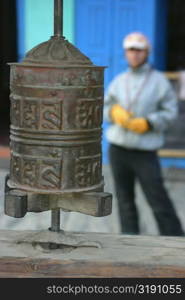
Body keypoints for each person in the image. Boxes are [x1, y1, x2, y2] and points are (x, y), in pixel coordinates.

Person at [104, 32, 184, 236]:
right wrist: (113, 112)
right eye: (131, 50)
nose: (135, 54)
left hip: (144, 152)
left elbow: (170, 112)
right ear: (125, 53)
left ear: (147, 52)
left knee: (157, 198)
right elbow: (104, 107)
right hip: (118, 149)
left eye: (139, 50)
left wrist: (149, 122)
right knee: (124, 199)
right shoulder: (118, 81)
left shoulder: (159, 82)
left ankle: (175, 239)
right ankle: (129, 239)